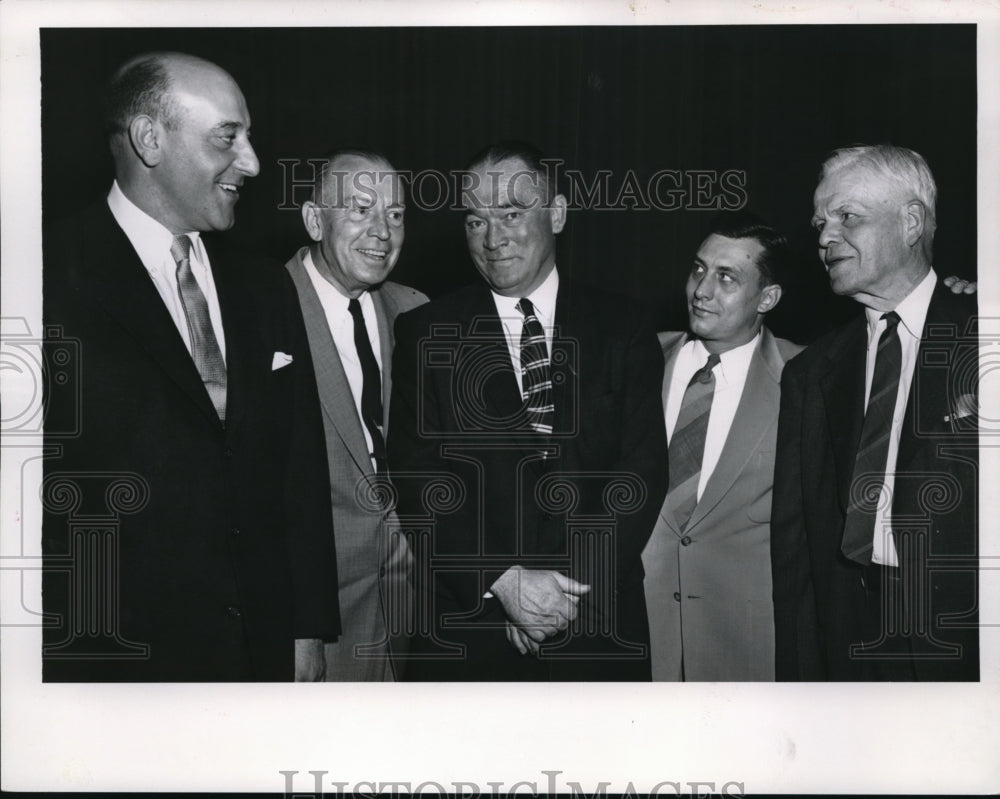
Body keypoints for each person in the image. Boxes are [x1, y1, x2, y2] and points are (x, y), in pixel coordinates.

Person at [42, 52, 340, 681]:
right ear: (150, 139)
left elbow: (299, 470)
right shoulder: (41, 276)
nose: (253, 163)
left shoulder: (265, 285)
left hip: (261, 650)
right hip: (116, 664)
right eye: (228, 138)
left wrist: (308, 627)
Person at [387, 142, 668, 680]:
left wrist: (557, 595)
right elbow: (418, 478)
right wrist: (506, 581)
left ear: (556, 214)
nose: (493, 240)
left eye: (512, 214)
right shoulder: (425, 333)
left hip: (594, 620)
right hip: (472, 627)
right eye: (475, 221)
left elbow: (641, 473)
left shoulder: (624, 327)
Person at [771, 144, 978, 681]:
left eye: (847, 217)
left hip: (966, 643)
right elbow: (795, 552)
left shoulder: (986, 334)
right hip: (848, 639)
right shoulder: (811, 372)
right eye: (820, 221)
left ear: (911, 221)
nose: (823, 236)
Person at [641, 213, 803, 681]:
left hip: (746, 645)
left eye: (726, 277)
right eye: (698, 269)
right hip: (637, 633)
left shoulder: (807, 377)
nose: (701, 290)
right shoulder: (637, 357)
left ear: (767, 298)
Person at [285, 149, 427, 680]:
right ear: (315, 219)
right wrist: (300, 625)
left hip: (410, 607)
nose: (382, 232)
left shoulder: (416, 311)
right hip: (316, 617)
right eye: (360, 209)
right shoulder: (262, 310)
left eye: (395, 214)